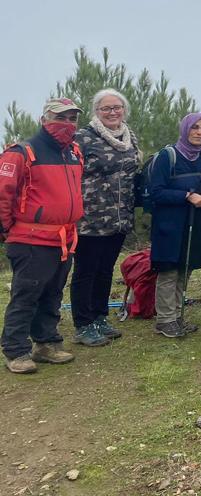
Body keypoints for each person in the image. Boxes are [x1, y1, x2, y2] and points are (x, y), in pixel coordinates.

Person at [1, 99, 84, 374]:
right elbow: (3, 194)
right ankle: (15, 350)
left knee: (52, 294)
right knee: (26, 296)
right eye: (61, 117)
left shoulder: (74, 152)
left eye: (73, 118)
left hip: (65, 238)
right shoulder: (22, 152)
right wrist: (7, 230)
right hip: (31, 239)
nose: (68, 123)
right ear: (44, 118)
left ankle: (46, 343)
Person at [68, 89, 142, 347]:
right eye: (106, 108)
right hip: (90, 218)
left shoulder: (130, 136)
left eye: (117, 107)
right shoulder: (83, 138)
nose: (112, 112)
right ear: (96, 112)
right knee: (86, 271)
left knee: (105, 269)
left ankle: (99, 316)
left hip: (119, 218)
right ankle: (83, 324)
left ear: (124, 110)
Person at [148, 112, 201, 338]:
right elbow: (156, 193)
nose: (199, 132)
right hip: (170, 226)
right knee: (169, 271)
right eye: (194, 127)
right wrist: (187, 196)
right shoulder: (167, 157)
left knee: (185, 269)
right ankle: (165, 319)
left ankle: (177, 316)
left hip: (196, 224)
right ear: (185, 129)